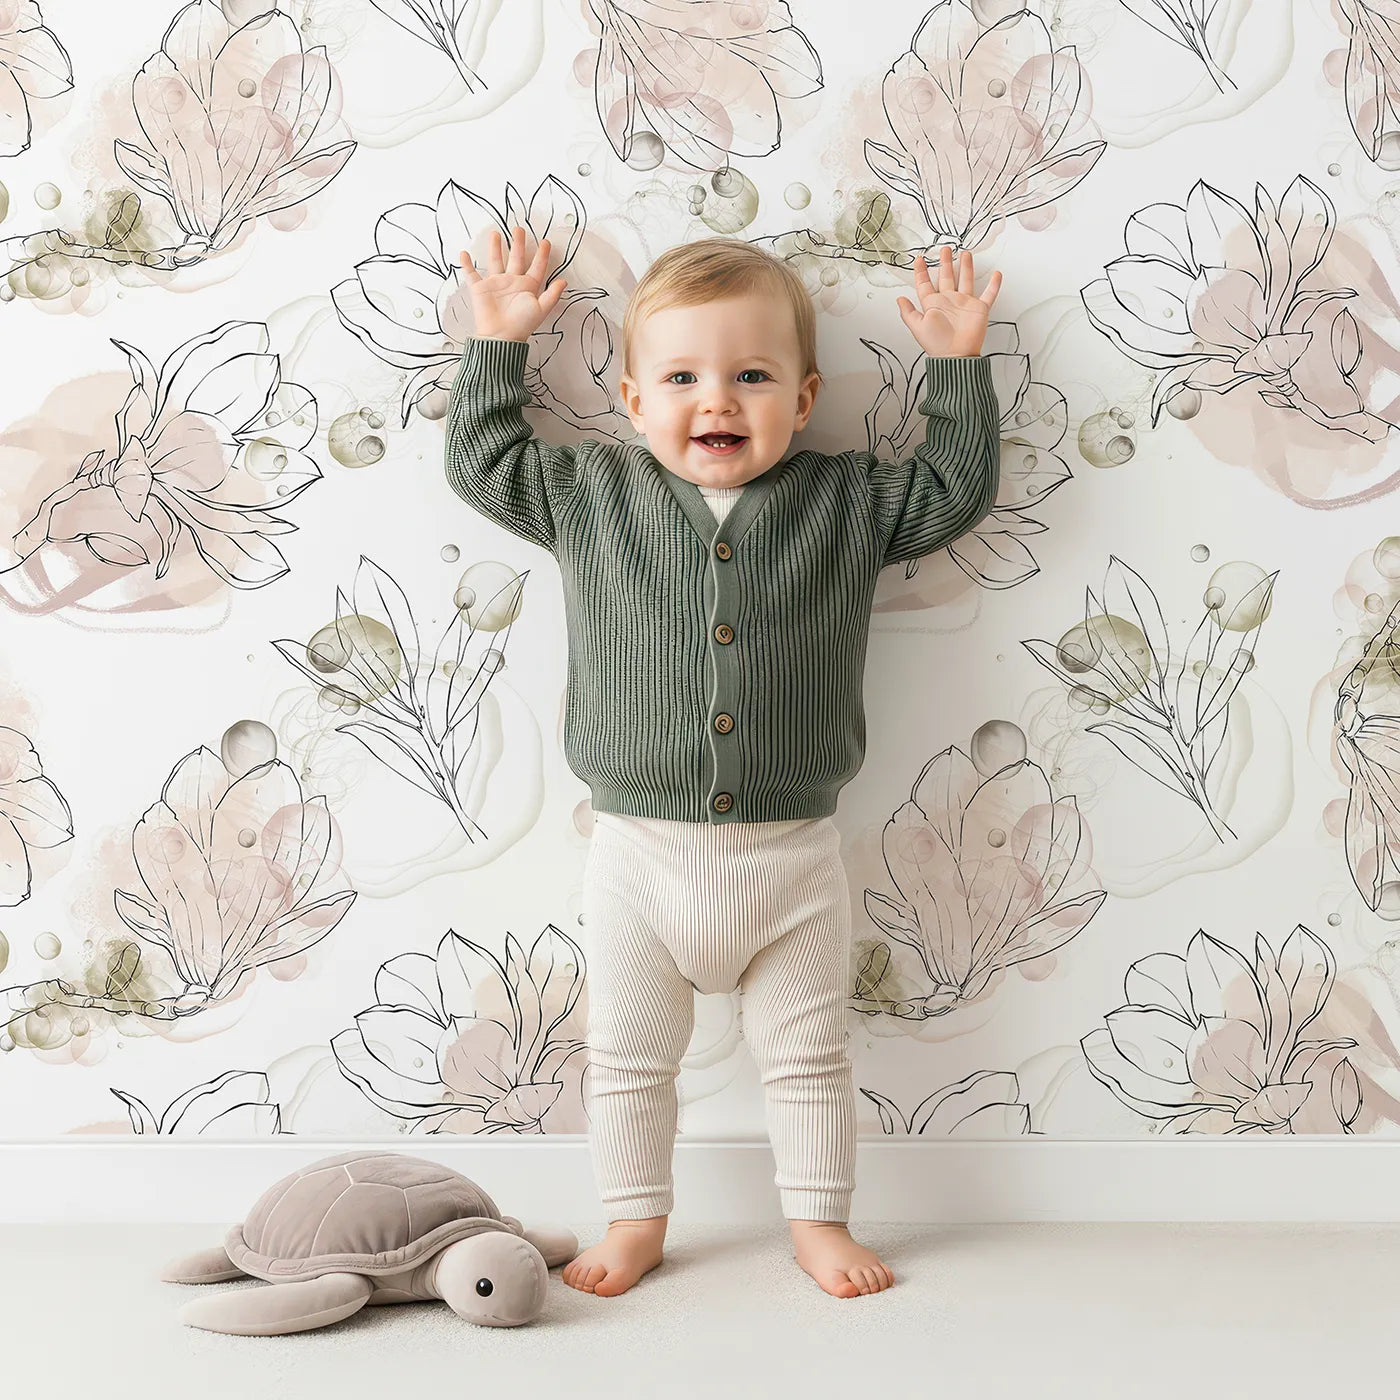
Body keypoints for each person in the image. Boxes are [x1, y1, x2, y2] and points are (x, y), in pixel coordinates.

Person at [447, 228, 1003, 1300]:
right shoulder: (586, 495)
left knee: (806, 1058)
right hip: (636, 856)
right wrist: (497, 344)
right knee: (626, 1058)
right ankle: (634, 1218)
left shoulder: (844, 503)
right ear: (630, 397)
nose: (717, 400)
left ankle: (818, 1221)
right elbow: (485, 462)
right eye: (683, 377)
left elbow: (952, 489)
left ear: (803, 399)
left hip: (792, 860)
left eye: (751, 376)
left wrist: (957, 364)